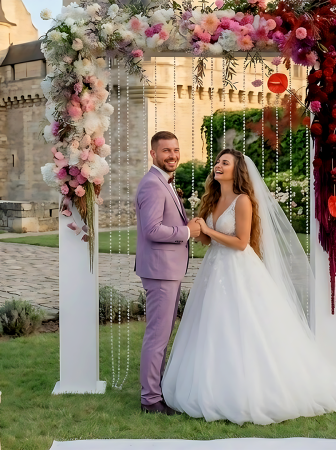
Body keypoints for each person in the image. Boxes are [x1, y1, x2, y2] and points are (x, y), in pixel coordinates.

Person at [161, 149, 336, 425]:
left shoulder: (243, 201)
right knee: (212, 326)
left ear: (237, 170)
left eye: (225, 163)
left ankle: (256, 388)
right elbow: (210, 242)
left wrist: (208, 231)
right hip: (214, 269)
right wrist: (197, 228)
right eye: (218, 162)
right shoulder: (213, 199)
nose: (218, 166)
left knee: (246, 327)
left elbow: (241, 242)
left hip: (239, 269)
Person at [134, 131, 200, 415]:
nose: (172, 155)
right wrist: (187, 232)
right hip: (160, 271)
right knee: (157, 337)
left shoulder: (165, 182)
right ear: (153, 154)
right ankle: (150, 400)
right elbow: (151, 230)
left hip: (168, 270)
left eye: (175, 149)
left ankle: (156, 388)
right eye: (165, 151)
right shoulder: (152, 184)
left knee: (162, 334)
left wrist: (189, 223)